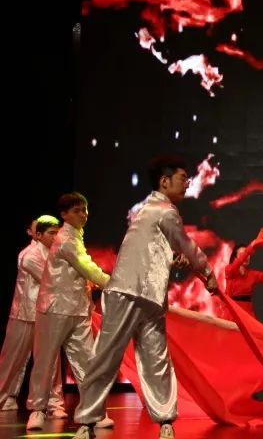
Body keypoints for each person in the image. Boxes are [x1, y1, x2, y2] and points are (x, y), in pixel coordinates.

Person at [72, 155, 217, 439]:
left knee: (155, 358)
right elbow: (186, 245)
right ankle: (87, 422)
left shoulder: (149, 210)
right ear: (164, 182)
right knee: (107, 356)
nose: (187, 183)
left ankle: (165, 421)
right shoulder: (163, 210)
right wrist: (207, 273)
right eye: (182, 178)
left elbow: (155, 250)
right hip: (127, 291)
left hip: (150, 297)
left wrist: (173, 260)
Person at [26, 193, 112, 432]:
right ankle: (37, 409)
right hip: (55, 308)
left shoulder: (75, 237)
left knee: (87, 361)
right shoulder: (65, 239)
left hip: (77, 309)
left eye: (85, 209)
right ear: (64, 215)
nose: (83, 214)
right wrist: (114, 283)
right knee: (45, 360)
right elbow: (87, 267)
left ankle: (93, 410)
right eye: (77, 211)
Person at [0, 217, 63, 413]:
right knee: (12, 359)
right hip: (24, 313)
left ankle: (53, 402)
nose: (55, 236)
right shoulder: (28, 255)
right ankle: (7, 396)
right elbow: (50, 280)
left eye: (56, 232)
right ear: (35, 233)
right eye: (50, 232)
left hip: (45, 312)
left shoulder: (55, 253)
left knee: (51, 359)